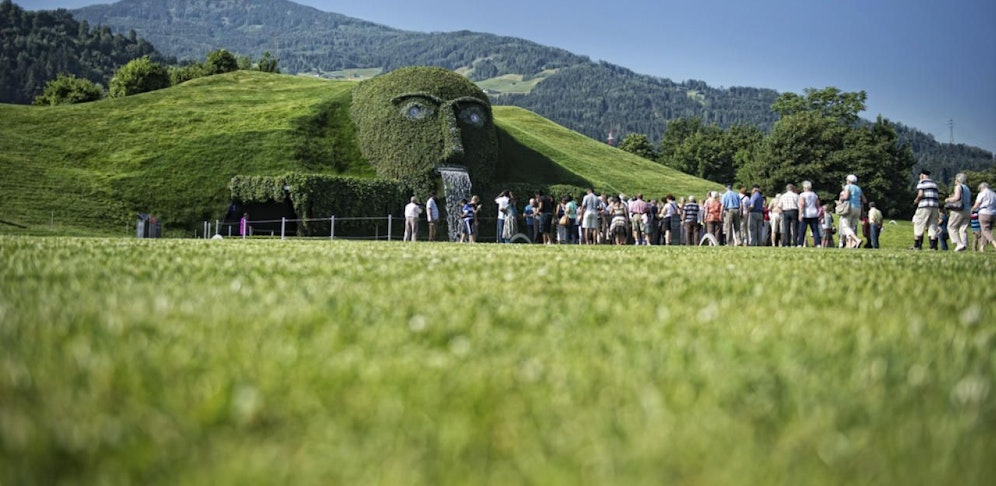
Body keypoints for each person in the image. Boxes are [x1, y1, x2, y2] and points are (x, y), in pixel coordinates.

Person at [911, 169, 940, 250]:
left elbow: (920, 194)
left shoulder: (922, 182)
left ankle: (917, 245)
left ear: (922, 175)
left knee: (919, 223)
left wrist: (916, 200)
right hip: (934, 206)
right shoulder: (934, 184)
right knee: (933, 225)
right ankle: (933, 246)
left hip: (924, 206)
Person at [944, 172, 972, 251]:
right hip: (968, 210)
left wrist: (948, 199)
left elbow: (957, 197)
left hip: (959, 210)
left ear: (957, 180)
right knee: (963, 229)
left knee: (951, 227)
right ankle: (964, 245)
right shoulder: (967, 188)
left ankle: (959, 244)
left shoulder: (958, 187)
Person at [840, 175, 866, 249]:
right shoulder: (858, 189)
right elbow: (864, 200)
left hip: (849, 207)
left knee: (845, 226)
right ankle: (851, 245)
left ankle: (857, 240)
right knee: (852, 227)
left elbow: (846, 197)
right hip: (858, 209)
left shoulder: (848, 187)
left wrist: (841, 198)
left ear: (848, 181)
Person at [971, 182, 996, 252]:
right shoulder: (994, 194)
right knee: (986, 231)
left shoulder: (982, 194)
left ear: (982, 188)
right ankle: (982, 247)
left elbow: (977, 204)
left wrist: (972, 210)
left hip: (984, 212)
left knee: (985, 230)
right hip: (993, 213)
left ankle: (994, 243)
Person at [797, 181, 821, 247]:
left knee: (802, 230)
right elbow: (817, 204)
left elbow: (802, 204)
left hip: (806, 213)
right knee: (815, 230)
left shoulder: (802, 195)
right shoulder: (814, 195)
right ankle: (818, 243)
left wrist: (800, 214)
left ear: (804, 187)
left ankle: (800, 243)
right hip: (814, 213)